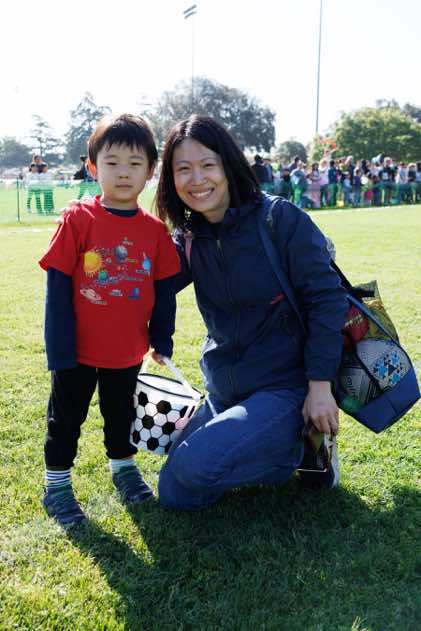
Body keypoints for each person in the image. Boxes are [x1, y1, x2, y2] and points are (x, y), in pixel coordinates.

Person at [155, 115, 348, 512]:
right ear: (171, 179)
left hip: (286, 386)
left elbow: (327, 300)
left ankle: (304, 450)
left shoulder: (279, 219)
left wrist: (320, 386)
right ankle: (261, 443)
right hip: (224, 391)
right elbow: (149, 288)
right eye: (183, 169)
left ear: (228, 165)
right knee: (176, 494)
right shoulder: (189, 239)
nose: (197, 179)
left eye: (208, 165)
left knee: (194, 465)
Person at [38, 113, 180, 526]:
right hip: (76, 351)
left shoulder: (155, 231)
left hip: (127, 351)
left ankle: (124, 469)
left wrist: (162, 339)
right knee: (66, 419)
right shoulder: (78, 219)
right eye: (112, 162)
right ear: (92, 166)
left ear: (150, 171)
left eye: (135, 164)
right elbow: (57, 287)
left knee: (122, 416)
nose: (123, 173)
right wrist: (59, 348)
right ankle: (56, 486)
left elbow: (165, 291)